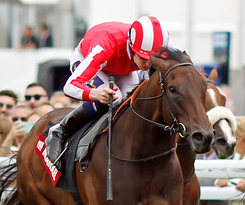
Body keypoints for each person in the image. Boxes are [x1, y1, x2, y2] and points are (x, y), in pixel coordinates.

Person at [45, 16, 169, 163]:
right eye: (143, 58)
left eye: (152, 59)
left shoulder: (152, 47)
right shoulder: (105, 46)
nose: (148, 64)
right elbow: (69, 86)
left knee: (132, 102)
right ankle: (60, 130)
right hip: (89, 60)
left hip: (122, 67)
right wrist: (94, 94)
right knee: (114, 98)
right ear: (131, 46)